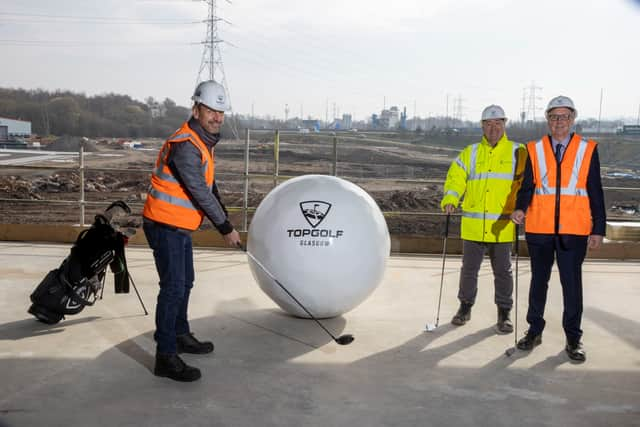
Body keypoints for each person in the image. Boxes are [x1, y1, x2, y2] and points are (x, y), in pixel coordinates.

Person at [142, 80, 242, 382]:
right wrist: (224, 227)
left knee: (185, 283)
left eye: (221, 112)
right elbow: (198, 190)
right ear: (196, 109)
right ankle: (166, 355)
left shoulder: (201, 142)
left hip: (179, 225)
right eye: (211, 110)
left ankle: (181, 334)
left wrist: (224, 216)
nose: (217, 117)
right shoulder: (186, 145)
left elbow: (209, 187)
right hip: (164, 224)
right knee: (173, 287)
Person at [511, 95, 606, 363]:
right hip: (539, 228)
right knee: (538, 282)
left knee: (571, 285)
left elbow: (595, 191)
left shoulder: (588, 149)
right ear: (548, 120)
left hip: (574, 230)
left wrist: (598, 228)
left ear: (573, 119)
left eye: (564, 116)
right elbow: (527, 186)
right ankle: (534, 330)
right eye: (554, 117)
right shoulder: (534, 149)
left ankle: (573, 337)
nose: (559, 122)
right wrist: (520, 208)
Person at [441, 105, 527, 333]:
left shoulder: (518, 152)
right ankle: (465, 307)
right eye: (488, 124)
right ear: (482, 126)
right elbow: (456, 178)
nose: (493, 128)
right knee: (469, 270)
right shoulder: (470, 152)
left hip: (502, 226)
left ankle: (504, 313)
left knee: (503, 271)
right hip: (474, 226)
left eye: (498, 123)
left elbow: (525, 185)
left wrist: (522, 208)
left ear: (504, 125)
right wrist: (451, 198)